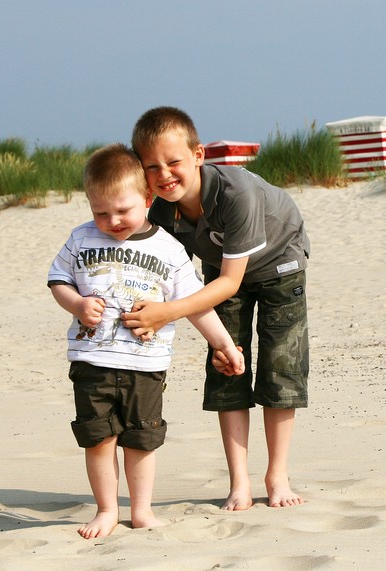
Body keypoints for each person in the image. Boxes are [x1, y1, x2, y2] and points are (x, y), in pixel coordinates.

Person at [48, 143, 245, 539]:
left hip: (146, 365)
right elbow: (58, 280)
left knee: (142, 439)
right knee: (99, 439)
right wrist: (78, 304)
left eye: (122, 210)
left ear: (147, 198)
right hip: (92, 361)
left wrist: (223, 344)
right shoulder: (82, 238)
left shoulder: (169, 250)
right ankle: (106, 509)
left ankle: (140, 510)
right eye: (100, 212)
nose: (112, 220)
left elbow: (194, 305)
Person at [121, 106, 310, 511]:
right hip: (221, 263)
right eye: (151, 167)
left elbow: (229, 284)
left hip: (279, 262)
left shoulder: (235, 194)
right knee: (227, 365)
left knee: (280, 368)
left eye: (174, 162)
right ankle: (239, 482)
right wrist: (160, 318)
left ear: (198, 156)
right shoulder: (161, 213)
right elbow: (175, 281)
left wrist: (164, 312)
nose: (164, 174)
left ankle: (277, 477)